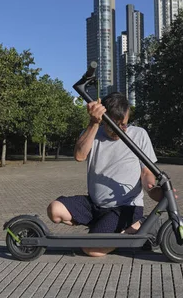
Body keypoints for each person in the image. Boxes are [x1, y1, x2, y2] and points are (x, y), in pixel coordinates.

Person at [47, 92, 164, 257]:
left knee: (91, 249)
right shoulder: (92, 133)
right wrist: (94, 123)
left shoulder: (139, 135)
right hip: (95, 205)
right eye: (115, 125)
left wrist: (153, 189)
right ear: (104, 119)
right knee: (55, 210)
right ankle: (107, 230)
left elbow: (146, 172)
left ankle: (141, 227)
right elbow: (79, 156)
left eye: (124, 124)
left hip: (125, 208)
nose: (120, 130)